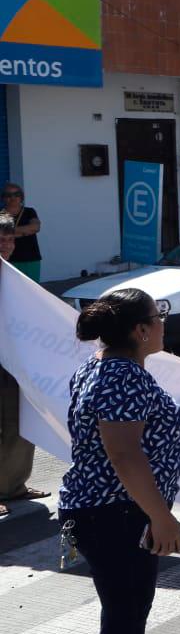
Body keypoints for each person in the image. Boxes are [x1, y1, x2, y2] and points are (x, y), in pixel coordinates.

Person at [58, 289, 180, 634]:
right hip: (115, 514)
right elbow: (123, 453)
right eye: (160, 316)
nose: (163, 323)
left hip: (112, 511)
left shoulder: (105, 367)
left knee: (129, 611)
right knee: (125, 614)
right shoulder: (120, 376)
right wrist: (162, 518)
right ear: (140, 330)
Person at [0, 216, 48, 514]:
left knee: (19, 426)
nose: (6, 245)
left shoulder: (15, 277)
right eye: (1, 240)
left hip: (13, 364)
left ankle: (12, 486)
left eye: (10, 239)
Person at [2, 182, 42, 281]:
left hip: (31, 259)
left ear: (21, 197)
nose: (13, 197)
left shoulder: (29, 212)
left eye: (16, 194)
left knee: (32, 290)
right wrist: (25, 231)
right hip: (8, 260)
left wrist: (10, 232)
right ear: (3, 198)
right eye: (8, 195)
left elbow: (36, 227)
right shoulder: (1, 214)